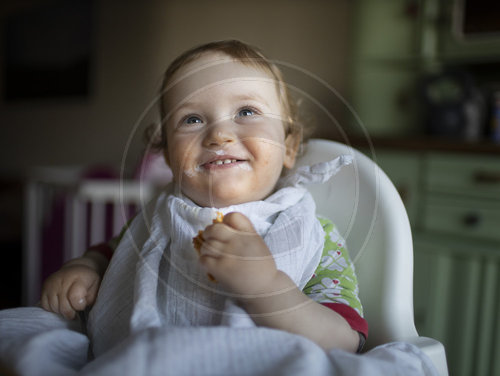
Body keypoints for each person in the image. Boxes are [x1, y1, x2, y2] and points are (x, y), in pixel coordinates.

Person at [40, 39, 367, 354]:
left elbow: (345, 340)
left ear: (290, 147)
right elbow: (113, 254)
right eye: (192, 119)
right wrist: (85, 267)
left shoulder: (314, 236)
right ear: (168, 157)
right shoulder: (160, 218)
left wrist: (266, 288)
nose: (219, 135)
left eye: (247, 111)